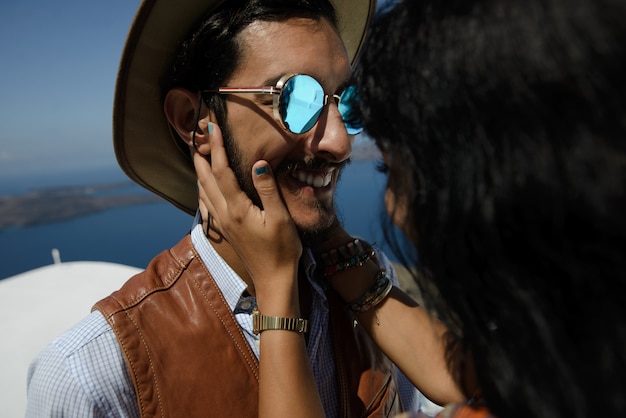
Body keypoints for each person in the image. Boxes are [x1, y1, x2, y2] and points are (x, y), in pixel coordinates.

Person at [25, 0, 465, 417]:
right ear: (192, 120)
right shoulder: (93, 374)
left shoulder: (369, 289)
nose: (339, 142)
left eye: (345, 100)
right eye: (294, 98)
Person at [197, 0, 626, 417]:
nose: (342, 143)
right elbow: (466, 371)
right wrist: (325, 234)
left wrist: (276, 290)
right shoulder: (585, 347)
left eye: (395, 167)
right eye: (293, 97)